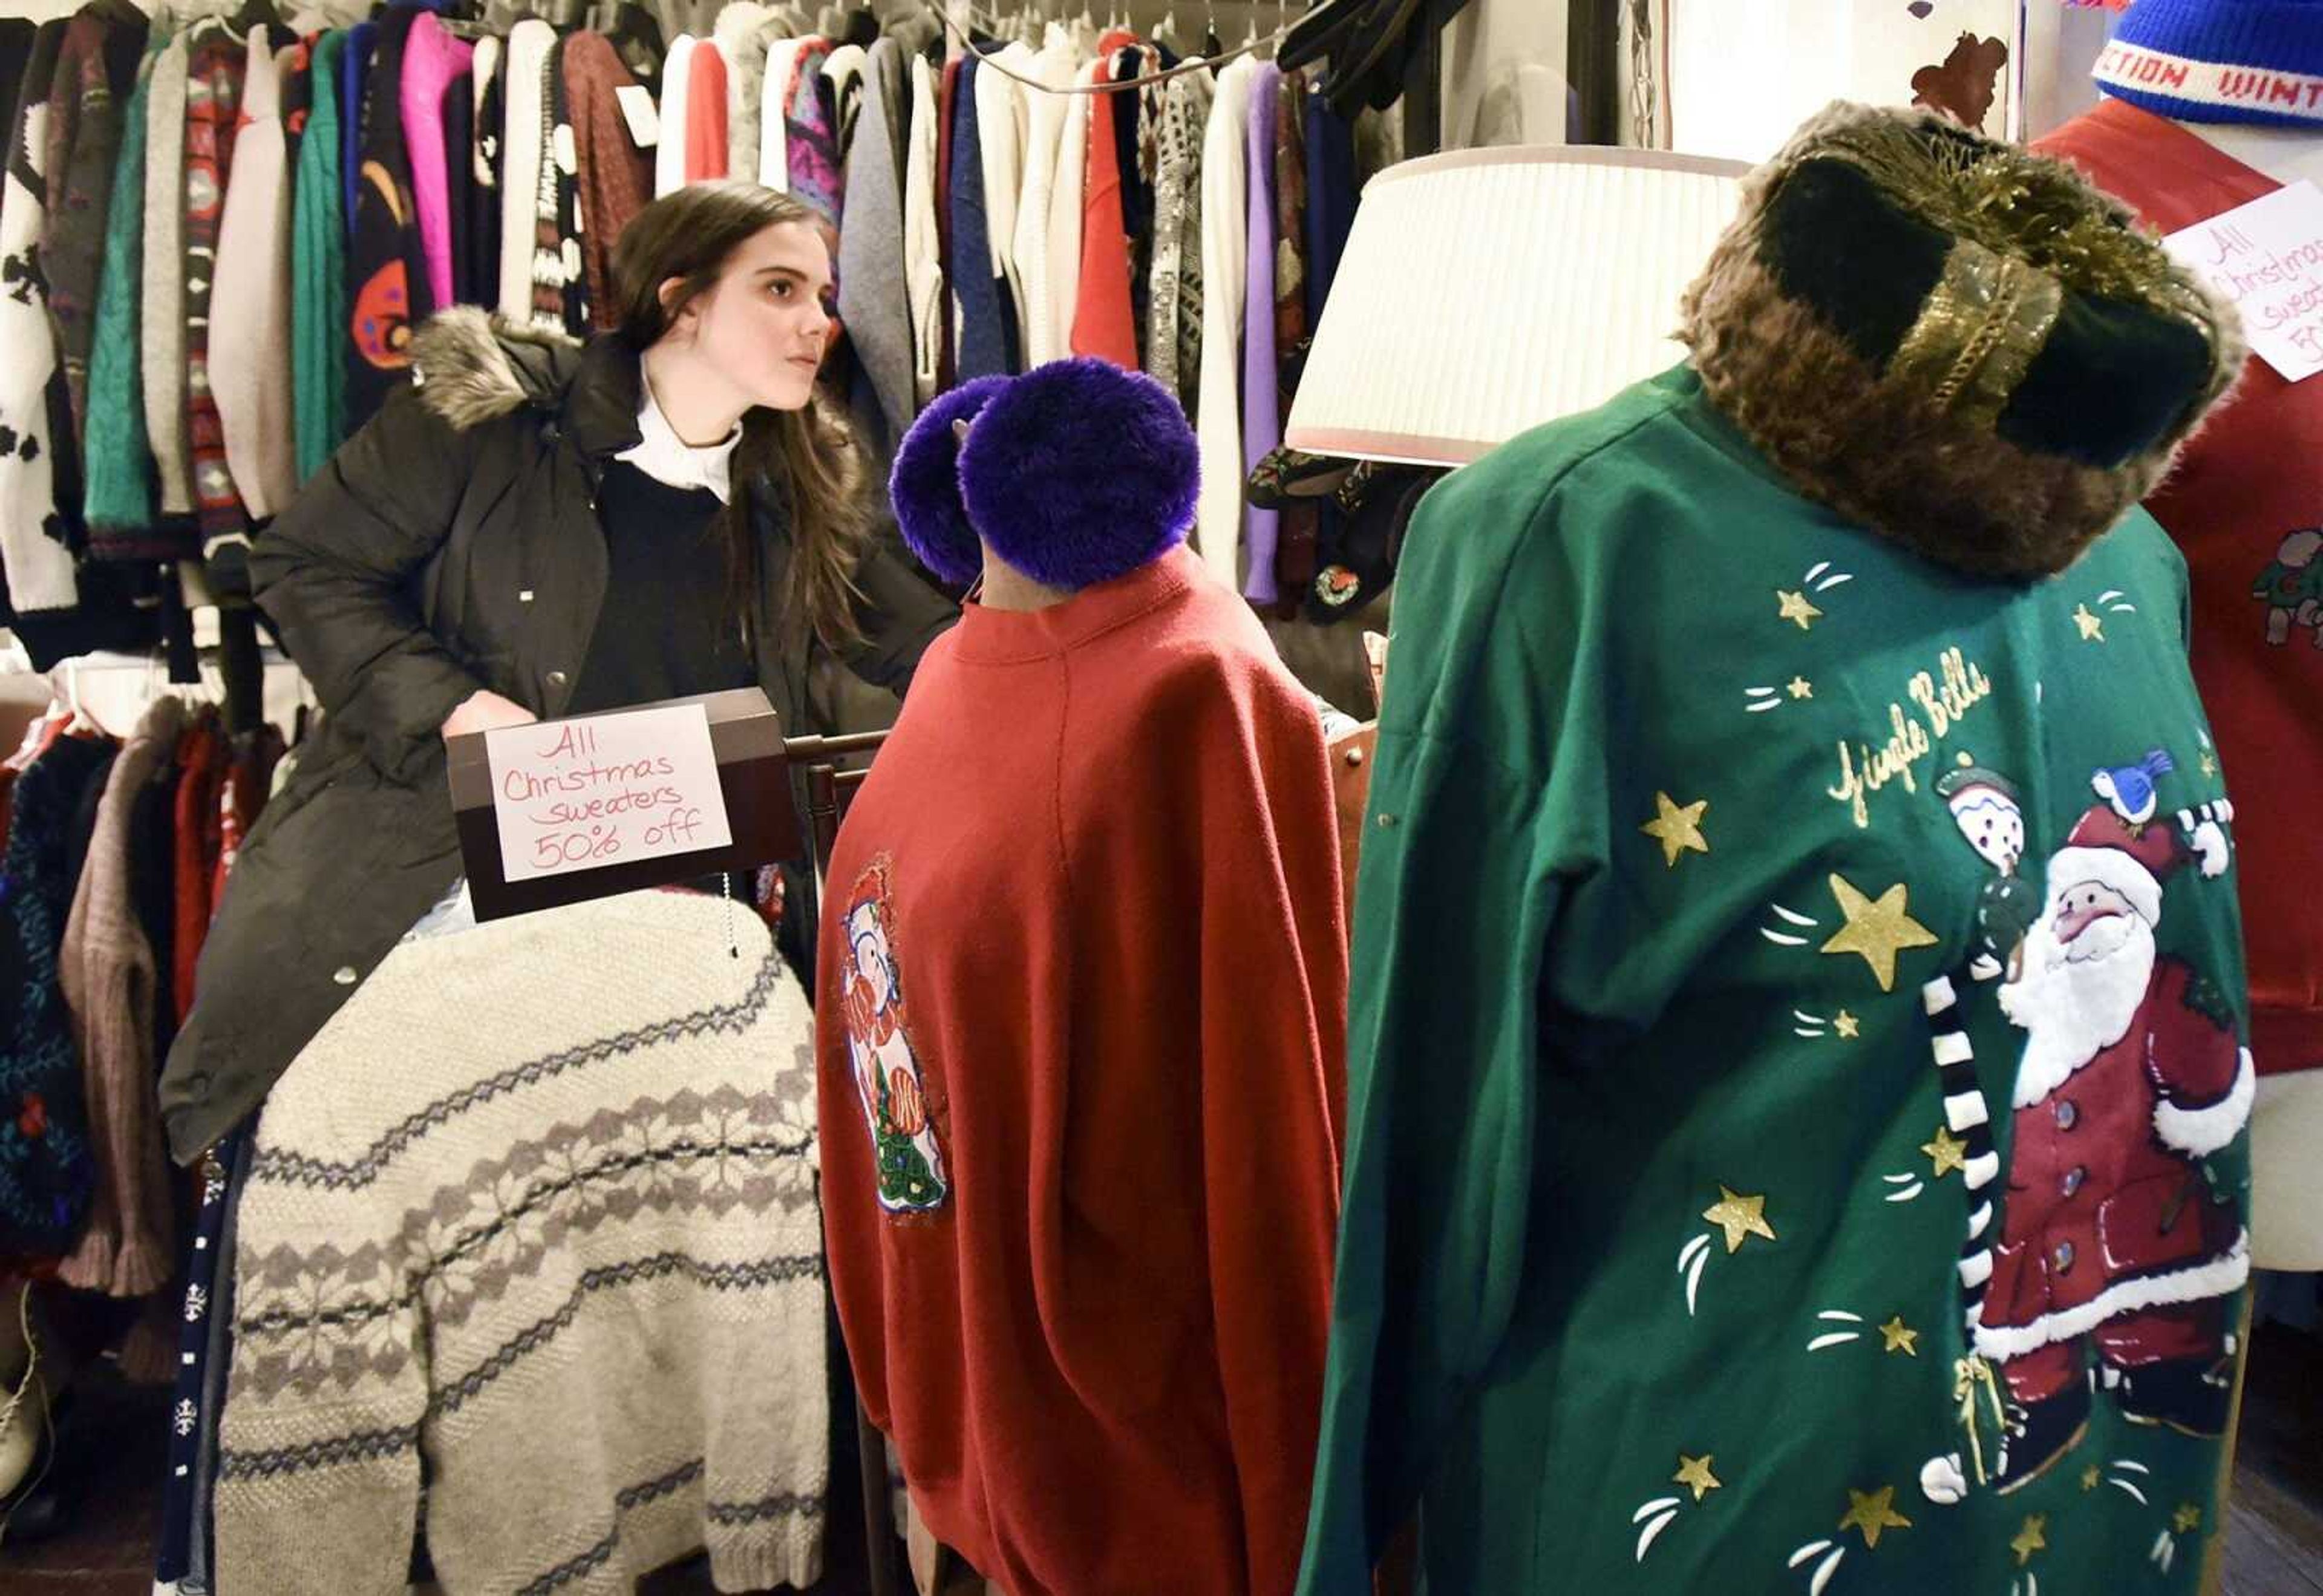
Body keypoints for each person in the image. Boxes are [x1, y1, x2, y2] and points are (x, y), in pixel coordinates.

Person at [155, 182, 955, 1166]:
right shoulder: (496, 422)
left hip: (679, 942)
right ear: (683, 299)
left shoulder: (801, 483)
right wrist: (447, 702)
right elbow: (303, 563)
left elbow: (926, 645)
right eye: (780, 289)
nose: (817, 324)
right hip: (435, 901)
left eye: (822, 298)